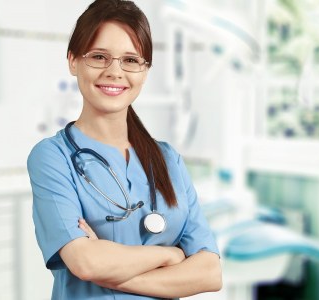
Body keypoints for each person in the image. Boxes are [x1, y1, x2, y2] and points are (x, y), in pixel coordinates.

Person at [26, 0, 222, 299]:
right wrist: (169, 256)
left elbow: (210, 272)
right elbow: (86, 262)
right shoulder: (53, 157)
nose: (115, 72)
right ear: (73, 61)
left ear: (145, 70)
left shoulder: (168, 160)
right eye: (99, 57)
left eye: (131, 60)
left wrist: (114, 274)